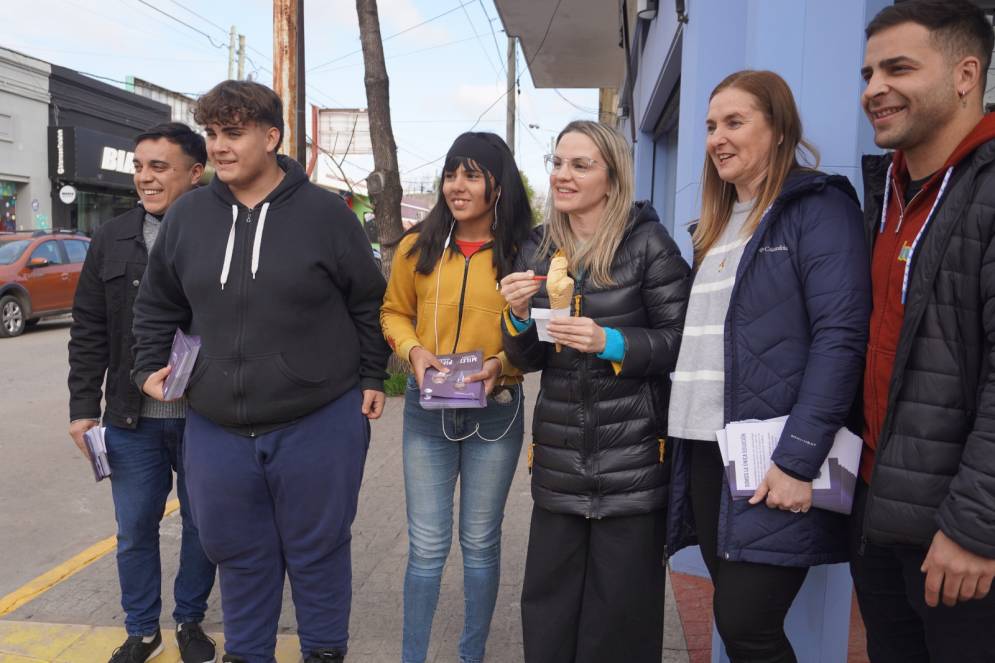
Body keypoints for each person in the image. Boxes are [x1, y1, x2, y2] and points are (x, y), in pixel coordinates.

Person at [130, 80, 391, 663]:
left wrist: (373, 377)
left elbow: (368, 303)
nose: (219, 146)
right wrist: (148, 365)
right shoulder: (188, 215)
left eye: (234, 133)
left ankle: (323, 651)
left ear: (271, 137)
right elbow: (157, 304)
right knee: (235, 551)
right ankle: (248, 654)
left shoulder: (327, 214)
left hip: (318, 416)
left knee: (318, 549)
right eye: (212, 133)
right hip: (215, 423)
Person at [665, 70, 870, 663]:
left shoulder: (817, 208)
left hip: (771, 454)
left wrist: (797, 459)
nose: (717, 138)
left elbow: (841, 337)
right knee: (736, 622)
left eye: (735, 122)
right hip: (705, 447)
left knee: (747, 623)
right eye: (711, 126)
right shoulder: (715, 226)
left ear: (779, 129)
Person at [499, 120, 690, 663]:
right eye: (558, 162)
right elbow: (529, 358)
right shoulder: (539, 246)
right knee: (549, 615)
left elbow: (681, 340)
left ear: (612, 177)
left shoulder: (647, 243)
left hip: (632, 463)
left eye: (580, 165)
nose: (563, 175)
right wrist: (517, 316)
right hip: (559, 462)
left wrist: (612, 342)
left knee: (620, 621)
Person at [853, 2, 995, 660]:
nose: (873, 88)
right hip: (880, 514)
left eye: (898, 68)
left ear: (965, 75)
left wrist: (975, 526)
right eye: (868, 73)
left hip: (961, 539)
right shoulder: (887, 193)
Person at [380, 131, 532, 663]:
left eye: (471, 175)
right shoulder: (416, 247)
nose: (456, 186)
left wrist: (502, 366)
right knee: (426, 547)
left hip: (496, 412)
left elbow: (537, 334)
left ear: (499, 185)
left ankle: (472, 655)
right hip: (427, 412)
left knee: (480, 544)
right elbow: (393, 312)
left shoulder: (524, 253)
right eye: (450, 174)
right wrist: (414, 351)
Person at [68, 122, 217, 663]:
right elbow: (88, 328)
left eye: (159, 166)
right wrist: (83, 409)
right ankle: (141, 630)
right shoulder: (112, 237)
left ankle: (190, 620)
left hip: (206, 415)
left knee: (203, 527)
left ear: (195, 173)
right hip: (132, 419)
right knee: (133, 529)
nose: (145, 178)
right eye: (138, 166)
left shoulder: (221, 232)